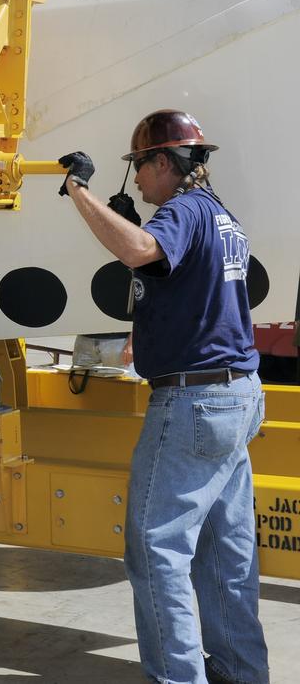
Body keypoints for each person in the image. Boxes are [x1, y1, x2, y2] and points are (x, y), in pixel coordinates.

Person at [60, 109, 268, 684]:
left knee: (156, 552)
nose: (139, 184)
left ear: (161, 163)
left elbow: (137, 251)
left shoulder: (181, 211)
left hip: (193, 404)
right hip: (238, 396)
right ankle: (241, 674)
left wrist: (80, 193)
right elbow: (193, 290)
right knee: (227, 559)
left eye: (139, 170)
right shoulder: (221, 215)